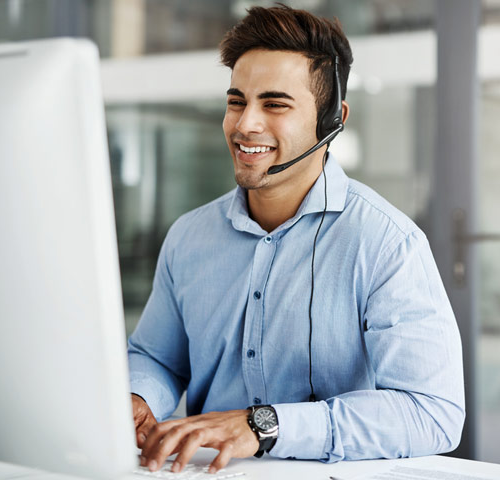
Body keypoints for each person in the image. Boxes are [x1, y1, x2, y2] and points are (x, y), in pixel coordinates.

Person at [129, 5, 464, 473]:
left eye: (275, 104)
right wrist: (139, 394)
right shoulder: (189, 237)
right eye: (236, 101)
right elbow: (157, 357)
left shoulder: (386, 243)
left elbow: (432, 413)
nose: (246, 124)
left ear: (333, 118)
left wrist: (264, 425)